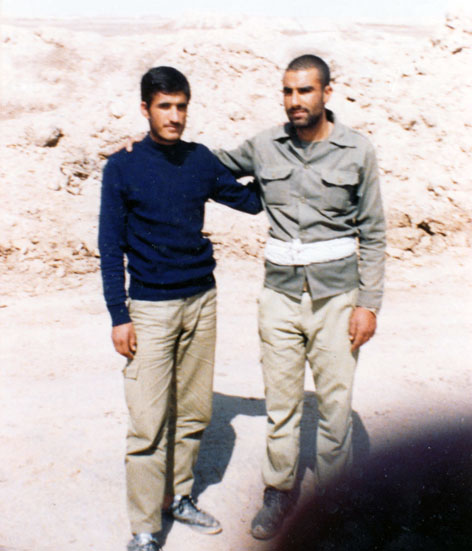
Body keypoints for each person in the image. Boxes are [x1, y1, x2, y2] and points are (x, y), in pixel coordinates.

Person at [215, 54, 386, 540]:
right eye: (288, 91)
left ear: (327, 93)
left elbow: (374, 232)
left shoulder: (357, 150)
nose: (295, 101)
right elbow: (209, 167)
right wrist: (155, 149)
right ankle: (279, 491)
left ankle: (334, 503)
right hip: (280, 297)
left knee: (335, 408)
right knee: (282, 404)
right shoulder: (265, 146)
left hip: (337, 298)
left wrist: (368, 304)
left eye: (305, 90)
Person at [98, 66, 262, 551]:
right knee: (148, 424)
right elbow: (109, 246)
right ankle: (145, 528)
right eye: (164, 106)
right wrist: (119, 315)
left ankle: (180, 496)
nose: (174, 116)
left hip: (201, 301)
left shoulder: (199, 159)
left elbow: (251, 202)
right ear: (145, 109)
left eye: (181, 106)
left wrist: (286, 162)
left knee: (193, 412)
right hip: (150, 309)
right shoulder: (122, 166)